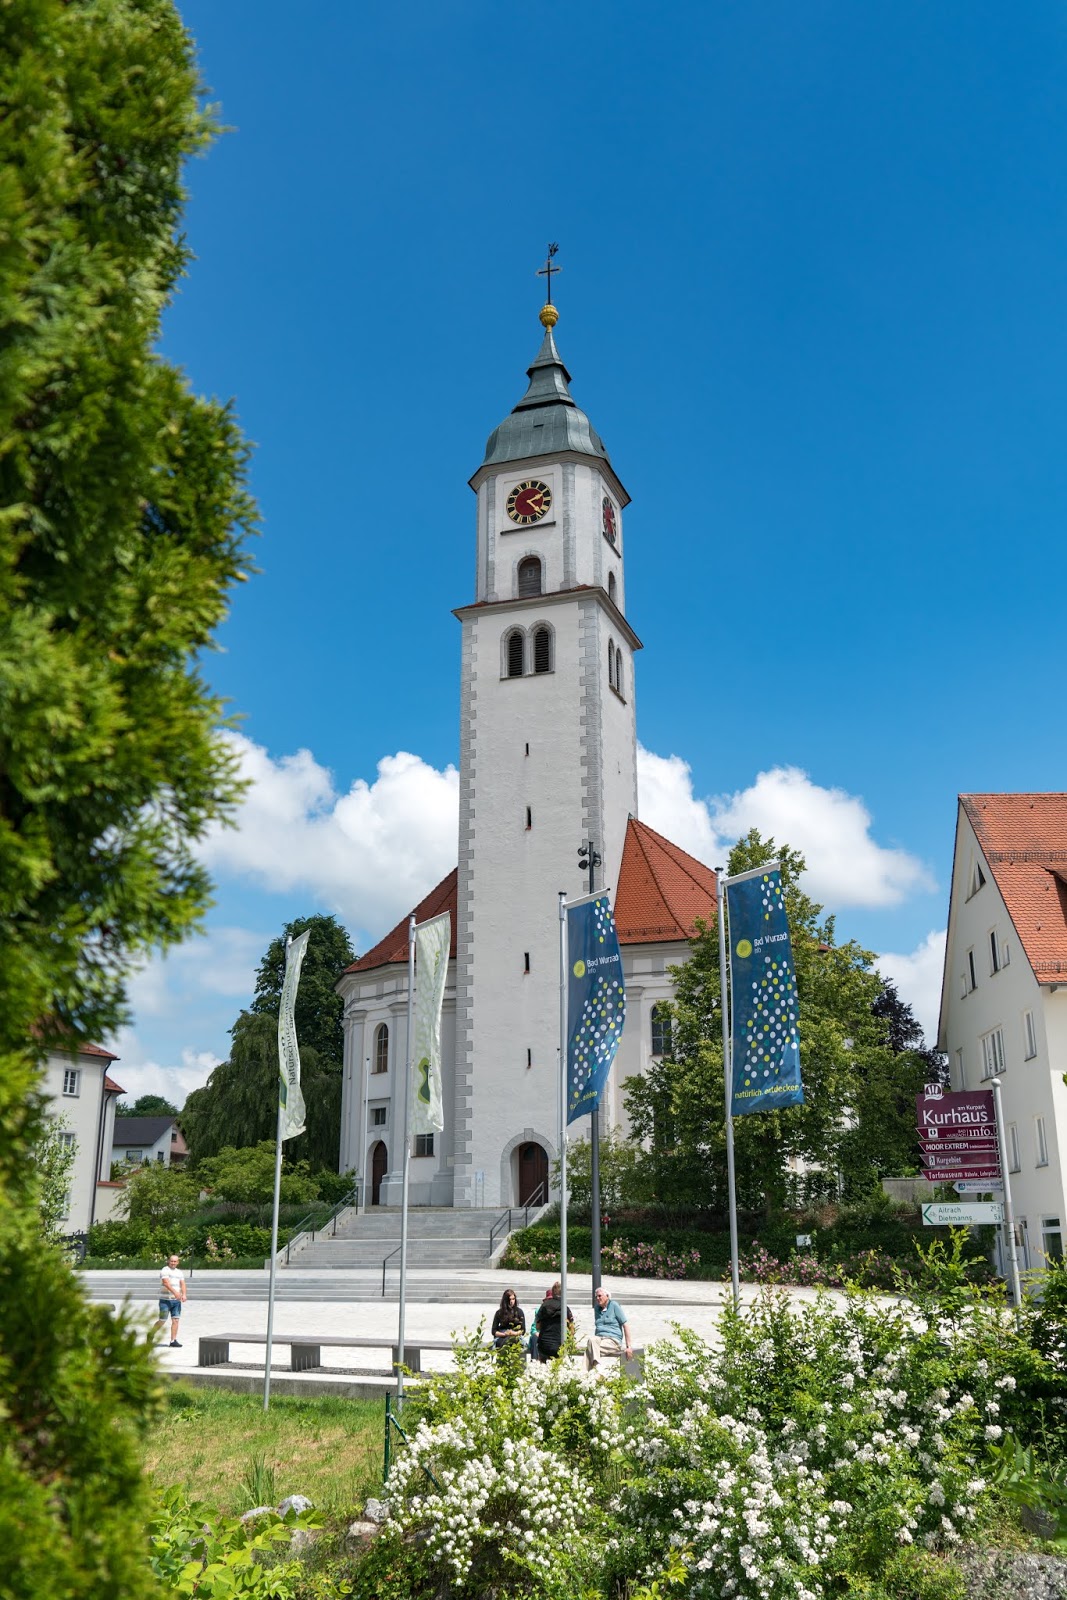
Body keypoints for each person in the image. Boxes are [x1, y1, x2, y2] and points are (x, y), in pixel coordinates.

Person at [586, 1283, 632, 1370]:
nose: (597, 1298)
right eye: (596, 1297)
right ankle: (595, 1370)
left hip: (613, 1340)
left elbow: (625, 1325)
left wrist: (628, 1347)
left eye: (599, 1296)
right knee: (591, 1341)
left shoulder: (614, 1305)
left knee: (590, 1349)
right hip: (599, 1339)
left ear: (607, 1296)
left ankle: (593, 1371)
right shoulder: (597, 1308)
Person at [532, 1280, 574, 1362]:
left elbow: (537, 1326)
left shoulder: (544, 1306)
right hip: (559, 1345)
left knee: (543, 1369)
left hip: (543, 1344)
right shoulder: (565, 1308)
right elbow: (571, 1328)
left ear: (553, 1293)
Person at [152, 1253, 186, 1347]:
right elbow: (166, 1283)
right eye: (171, 1261)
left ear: (178, 1262)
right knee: (162, 1320)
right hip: (165, 1300)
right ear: (168, 1261)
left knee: (176, 1320)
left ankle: (173, 1340)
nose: (173, 1263)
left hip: (176, 1301)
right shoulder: (165, 1270)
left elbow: (182, 1284)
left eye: (175, 1261)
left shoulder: (179, 1272)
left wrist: (184, 1294)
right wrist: (175, 1292)